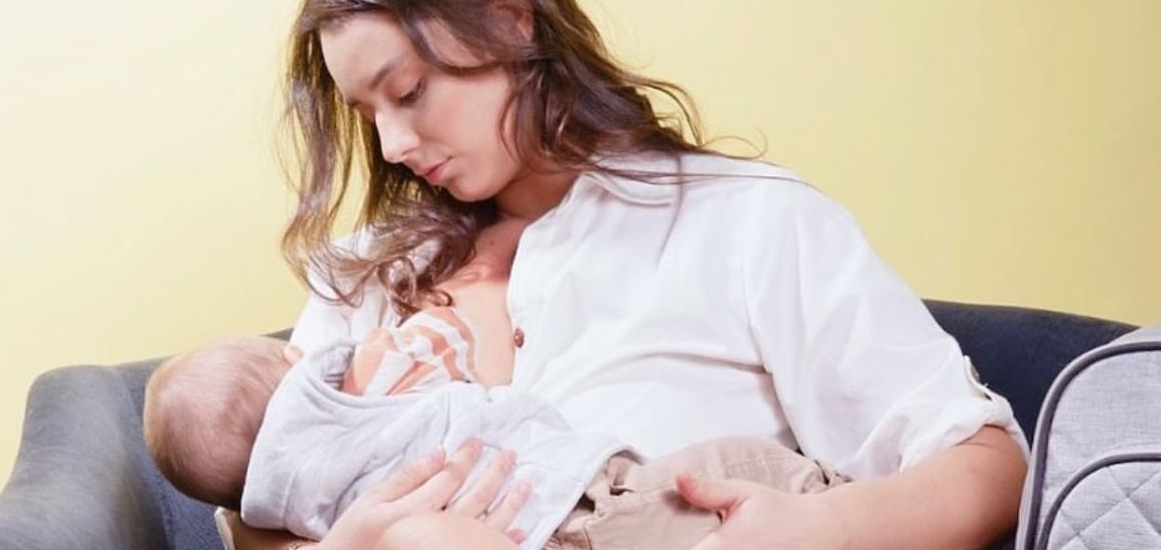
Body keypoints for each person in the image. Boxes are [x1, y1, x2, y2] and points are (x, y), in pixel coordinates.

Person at [227, 0, 1030, 549]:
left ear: (509, 19)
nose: (394, 144)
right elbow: (269, 493)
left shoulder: (746, 225)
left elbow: (987, 465)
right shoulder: (365, 278)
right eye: (368, 114)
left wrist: (822, 528)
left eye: (408, 91)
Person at [144, 225, 848, 550]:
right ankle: (832, 493)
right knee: (730, 470)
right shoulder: (358, 366)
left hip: (554, 518)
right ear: (290, 367)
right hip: (581, 503)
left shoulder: (275, 505)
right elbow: (438, 347)